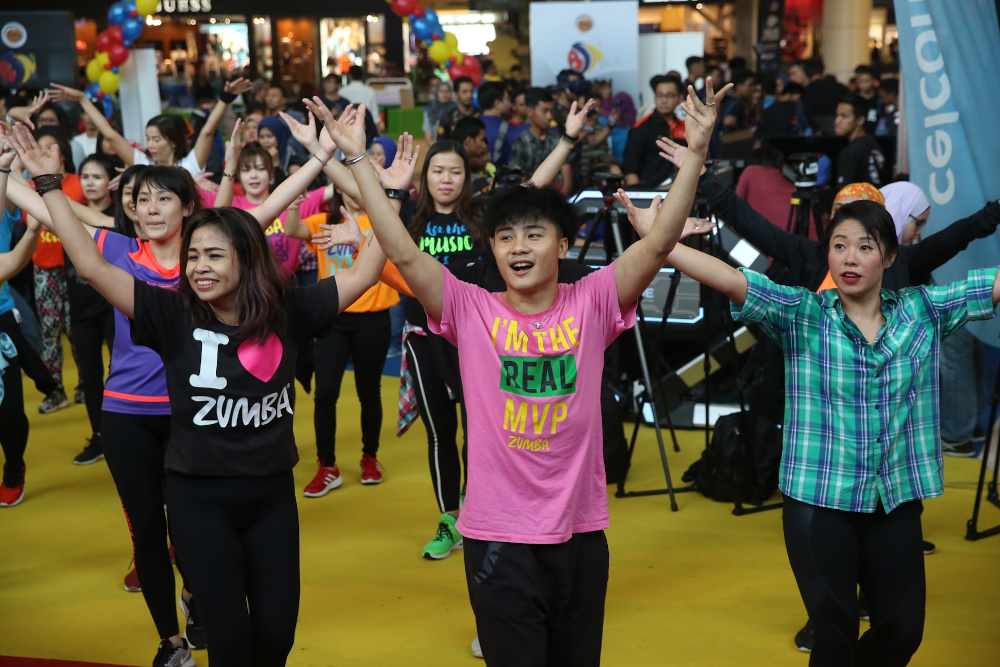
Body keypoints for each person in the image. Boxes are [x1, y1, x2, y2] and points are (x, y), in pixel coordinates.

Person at [304, 77, 726, 667]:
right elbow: (399, 251)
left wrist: (696, 156)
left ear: (561, 243)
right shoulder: (469, 308)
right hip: (497, 537)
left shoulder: (594, 299)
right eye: (505, 236)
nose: (518, 245)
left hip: (581, 533)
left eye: (534, 233)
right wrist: (355, 160)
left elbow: (656, 246)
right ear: (494, 250)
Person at [14, 115, 386, 665]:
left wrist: (381, 185)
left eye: (213, 256)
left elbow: (370, 269)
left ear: (244, 255)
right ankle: (174, 636)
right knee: (229, 639)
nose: (199, 267)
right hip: (198, 497)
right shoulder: (167, 312)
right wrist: (47, 185)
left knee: (277, 636)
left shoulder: (289, 310)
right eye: (193, 258)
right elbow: (91, 264)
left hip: (271, 495)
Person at [634, 192, 1000, 666]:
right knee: (835, 635)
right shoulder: (802, 314)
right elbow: (728, 278)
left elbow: (988, 287)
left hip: (894, 499)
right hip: (819, 502)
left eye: (865, 247)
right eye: (839, 245)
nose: (850, 258)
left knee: (902, 631)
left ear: (890, 257)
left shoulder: (922, 311)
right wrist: (656, 236)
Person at [10, 127, 204, 664]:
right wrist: (13, 168)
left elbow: (260, 215)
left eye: (164, 197)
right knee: (146, 530)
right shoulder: (114, 248)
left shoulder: (204, 254)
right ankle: (171, 642)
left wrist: (327, 157)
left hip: (192, 411)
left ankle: (195, 596)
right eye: (141, 199)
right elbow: (51, 214)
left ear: (188, 207)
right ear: (132, 213)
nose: (151, 206)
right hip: (127, 416)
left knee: (190, 524)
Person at [282, 133, 418, 496]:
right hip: (332, 319)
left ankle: (369, 457)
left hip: (372, 319)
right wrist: (295, 203)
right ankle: (327, 466)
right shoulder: (326, 221)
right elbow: (293, 229)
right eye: (345, 186)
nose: (351, 191)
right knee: (325, 393)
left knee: (369, 392)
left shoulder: (381, 223)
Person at [49, 79, 251, 177]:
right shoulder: (142, 162)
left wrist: (225, 99)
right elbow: (110, 134)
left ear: (172, 141)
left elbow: (207, 131)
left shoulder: (190, 165)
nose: (150, 145)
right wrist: (83, 99)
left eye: (156, 139)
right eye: (148, 139)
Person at [0, 129, 42, 507]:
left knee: (9, 409)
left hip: (1, 318)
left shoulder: (6, 186)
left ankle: (14, 466)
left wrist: (2, 168)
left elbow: (12, 262)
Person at [30, 128, 84, 414]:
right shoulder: (28, 186)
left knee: (78, 330)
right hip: (43, 270)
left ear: (62, 153)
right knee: (49, 333)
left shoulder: (78, 184)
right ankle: (55, 390)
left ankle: (85, 386)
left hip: (75, 269)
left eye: (49, 147)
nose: (42, 151)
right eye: (38, 146)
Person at [622, 74, 685, 188]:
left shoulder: (685, 127)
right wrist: (639, 197)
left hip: (684, 191)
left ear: (680, 98)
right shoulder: (641, 128)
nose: (664, 100)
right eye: (659, 95)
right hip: (652, 192)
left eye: (669, 95)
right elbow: (629, 169)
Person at [509, 88, 573, 195]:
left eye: (552, 111)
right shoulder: (521, 143)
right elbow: (517, 183)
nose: (549, 116)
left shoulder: (558, 141)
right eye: (544, 111)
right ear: (530, 111)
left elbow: (567, 182)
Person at [834, 97, 889, 188]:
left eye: (844, 116)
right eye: (837, 115)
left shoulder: (850, 152)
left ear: (860, 120)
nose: (837, 121)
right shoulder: (874, 144)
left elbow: (844, 194)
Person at [798, 58, 850, 135]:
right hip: (840, 130)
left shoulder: (806, 91)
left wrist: (816, 128)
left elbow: (806, 113)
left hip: (818, 133)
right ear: (823, 72)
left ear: (806, 74)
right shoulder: (840, 87)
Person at [478, 81, 514, 167]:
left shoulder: (469, 125)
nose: (510, 104)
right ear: (497, 103)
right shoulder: (511, 129)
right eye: (507, 99)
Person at [341, 65, 382, 131]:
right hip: (368, 127)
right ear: (362, 76)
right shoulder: (370, 91)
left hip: (347, 127)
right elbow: (375, 115)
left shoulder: (342, 91)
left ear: (349, 76)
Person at [852, 65, 882, 135]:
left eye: (866, 81)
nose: (863, 84)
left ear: (873, 81)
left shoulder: (879, 98)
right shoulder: (853, 98)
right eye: (860, 81)